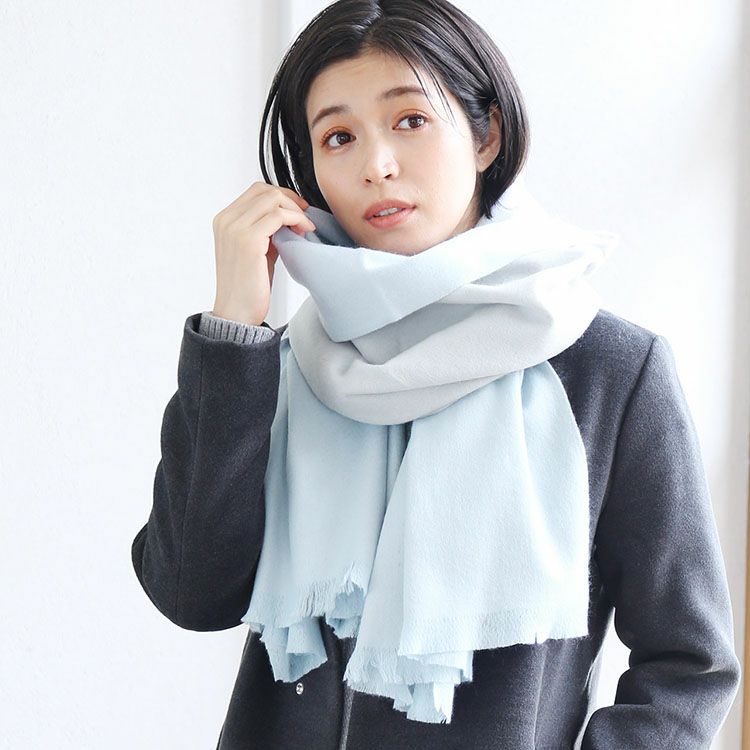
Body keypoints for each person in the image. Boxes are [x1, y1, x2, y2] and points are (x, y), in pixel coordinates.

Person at [130, 1, 742, 748]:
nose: (376, 164)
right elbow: (190, 592)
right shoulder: (279, 366)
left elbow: (689, 664)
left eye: (411, 120)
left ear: (486, 136)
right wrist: (234, 327)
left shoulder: (608, 367)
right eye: (338, 137)